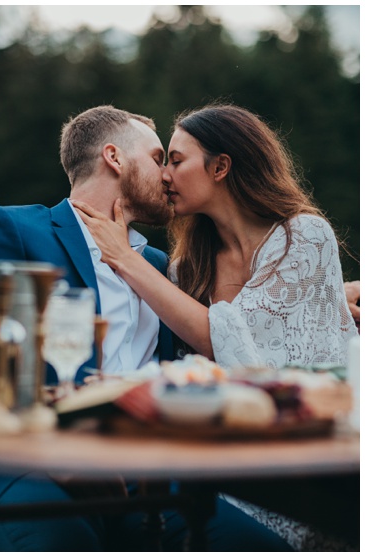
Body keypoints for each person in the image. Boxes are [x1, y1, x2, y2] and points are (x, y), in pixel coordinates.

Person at [0, 105, 292, 551]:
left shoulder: (158, 268)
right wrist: (58, 453)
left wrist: (327, 293)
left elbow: (230, 326)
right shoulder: (17, 228)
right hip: (45, 468)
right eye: (159, 159)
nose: (169, 176)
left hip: (155, 478)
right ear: (114, 158)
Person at [73, 104, 359, 550]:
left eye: (176, 159)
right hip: (217, 467)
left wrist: (123, 257)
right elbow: (244, 326)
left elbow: (219, 334)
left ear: (221, 166)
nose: (164, 174)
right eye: (162, 160)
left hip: (309, 461)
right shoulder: (186, 269)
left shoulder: (303, 235)